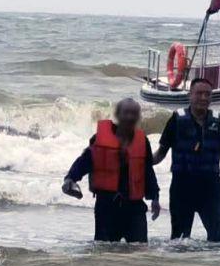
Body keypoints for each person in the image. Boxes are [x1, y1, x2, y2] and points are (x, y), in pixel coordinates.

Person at [152, 78, 220, 242]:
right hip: (182, 188)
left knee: (217, 239)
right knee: (180, 240)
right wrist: (138, 160)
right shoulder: (176, 120)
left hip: (211, 189)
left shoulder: (217, 121)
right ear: (189, 96)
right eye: (199, 93)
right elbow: (160, 154)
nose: (204, 98)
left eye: (208, 94)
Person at [61, 98, 160, 243]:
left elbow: (148, 172)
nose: (130, 117)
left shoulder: (142, 141)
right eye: (126, 113)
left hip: (134, 208)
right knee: (104, 254)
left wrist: (155, 198)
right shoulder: (100, 139)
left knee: (139, 254)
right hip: (107, 207)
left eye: (134, 114)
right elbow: (85, 161)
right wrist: (70, 179)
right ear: (118, 115)